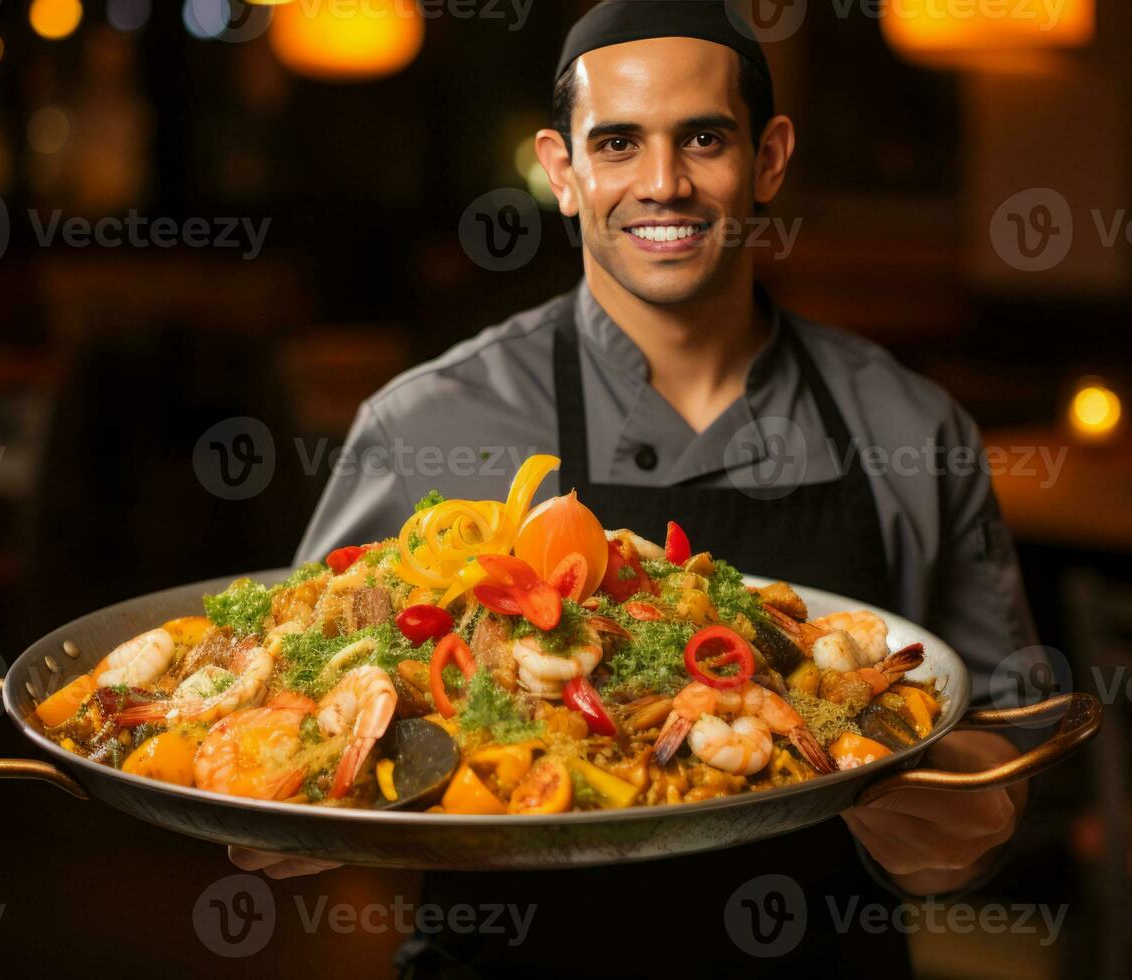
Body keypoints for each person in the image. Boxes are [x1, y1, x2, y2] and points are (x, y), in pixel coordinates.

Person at [238, 2, 1041, 975]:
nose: (664, 183)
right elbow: (289, 700)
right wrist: (286, 802)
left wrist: (964, 828)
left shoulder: (914, 429)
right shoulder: (424, 427)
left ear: (770, 157)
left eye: (704, 138)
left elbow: (1006, 748)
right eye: (618, 142)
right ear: (564, 169)